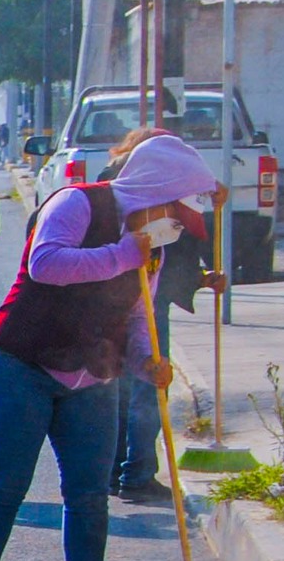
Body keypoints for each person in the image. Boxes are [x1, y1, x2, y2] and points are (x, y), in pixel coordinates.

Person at [0, 134, 221, 561]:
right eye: (174, 209)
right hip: (21, 364)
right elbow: (45, 265)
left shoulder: (152, 246)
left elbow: (139, 310)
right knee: (5, 486)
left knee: (89, 495)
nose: (175, 224)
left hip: (92, 378)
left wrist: (146, 361)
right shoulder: (76, 203)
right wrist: (123, 253)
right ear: (153, 190)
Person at [94, 128, 224, 503]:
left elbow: (183, 245)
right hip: (123, 300)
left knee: (138, 387)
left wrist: (202, 277)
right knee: (138, 389)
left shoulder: (169, 188)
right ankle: (131, 473)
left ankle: (127, 472)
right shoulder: (115, 186)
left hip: (150, 298)